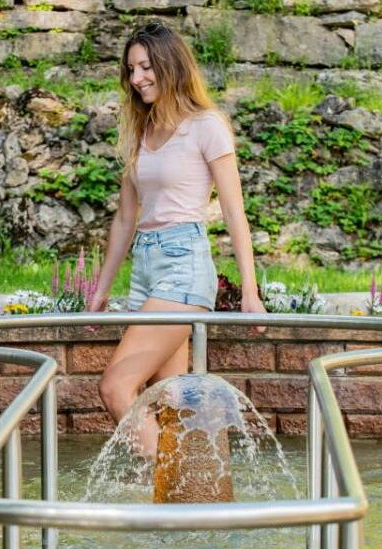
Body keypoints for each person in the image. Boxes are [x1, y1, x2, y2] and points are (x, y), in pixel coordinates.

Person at [86, 21, 267, 457]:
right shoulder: (140, 130)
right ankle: (193, 492)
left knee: (115, 388)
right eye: (131, 70)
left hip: (184, 264)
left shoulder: (206, 126)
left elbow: (234, 212)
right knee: (170, 401)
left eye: (146, 67)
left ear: (169, 65)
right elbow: (125, 219)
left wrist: (251, 292)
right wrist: (101, 289)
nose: (137, 79)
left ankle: (164, 496)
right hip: (146, 270)